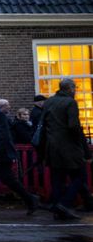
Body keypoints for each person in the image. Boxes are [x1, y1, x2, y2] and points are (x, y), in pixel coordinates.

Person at [41, 78, 93, 219]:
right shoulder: (70, 102)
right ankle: (63, 204)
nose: (75, 91)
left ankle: (59, 211)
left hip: (52, 147)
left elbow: (44, 124)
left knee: (58, 179)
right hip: (69, 148)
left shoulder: (49, 101)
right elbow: (74, 126)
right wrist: (85, 149)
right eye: (74, 88)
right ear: (70, 88)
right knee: (80, 176)